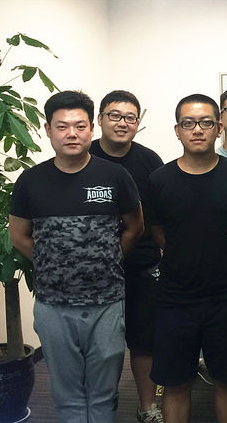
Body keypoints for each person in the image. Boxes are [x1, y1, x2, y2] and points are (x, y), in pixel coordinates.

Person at [9, 90, 144, 423]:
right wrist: (50, 263)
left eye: (80, 126)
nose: (72, 134)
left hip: (106, 303)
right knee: (66, 392)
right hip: (53, 305)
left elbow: (134, 228)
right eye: (62, 126)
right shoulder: (31, 181)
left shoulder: (115, 177)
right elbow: (19, 236)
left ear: (92, 128)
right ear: (48, 130)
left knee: (104, 392)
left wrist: (109, 259)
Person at [147, 94, 227, 423]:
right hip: (175, 299)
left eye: (206, 122)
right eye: (188, 123)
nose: (197, 129)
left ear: (218, 128)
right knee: (175, 383)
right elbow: (158, 230)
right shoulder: (159, 180)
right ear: (177, 130)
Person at [89, 90, 164, 423]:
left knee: (144, 341)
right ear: (100, 119)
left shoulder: (149, 161)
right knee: (100, 345)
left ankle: (147, 407)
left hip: (142, 265)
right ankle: (100, 406)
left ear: (138, 123)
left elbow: (161, 213)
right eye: (115, 115)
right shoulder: (84, 156)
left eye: (130, 117)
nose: (122, 123)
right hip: (94, 269)